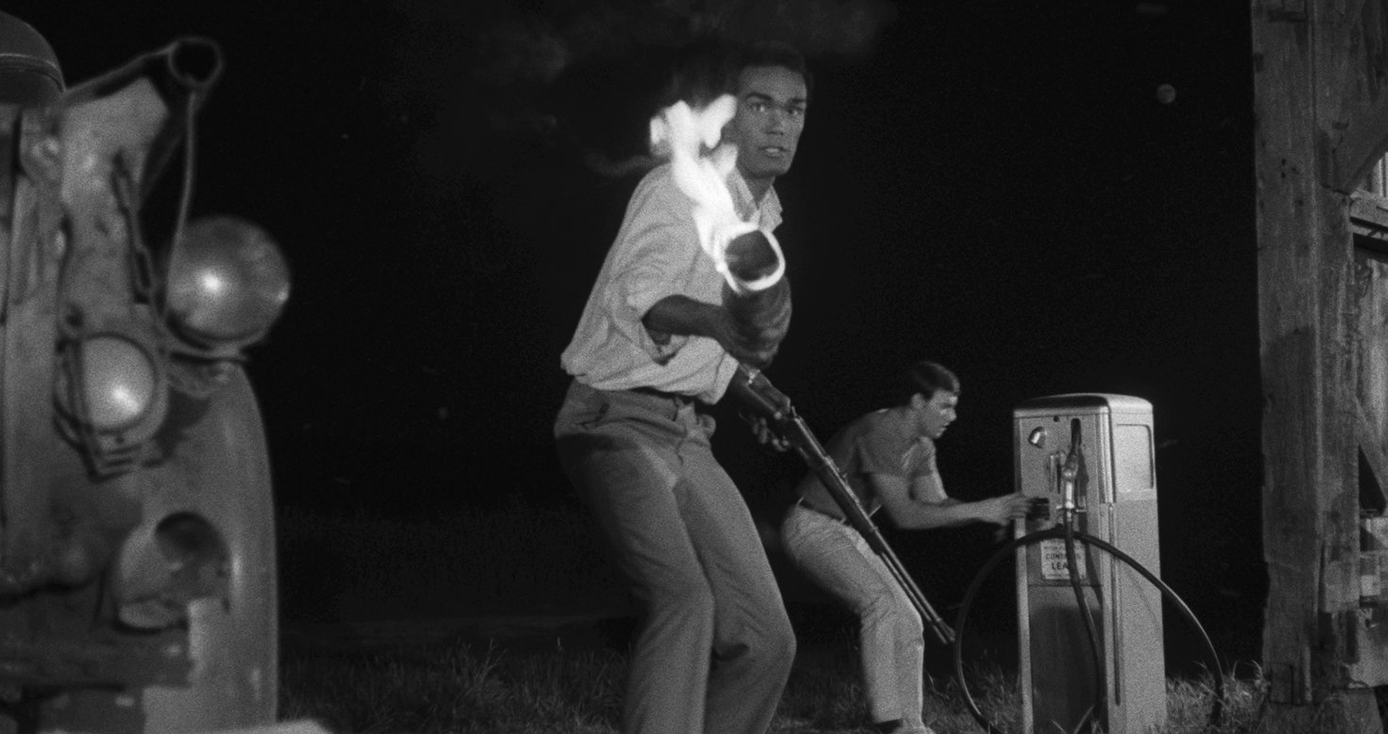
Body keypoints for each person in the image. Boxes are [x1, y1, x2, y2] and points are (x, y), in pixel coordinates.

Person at [553, 41, 811, 734]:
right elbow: (647, 297)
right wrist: (725, 326)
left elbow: (716, 349)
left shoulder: (767, 220)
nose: (779, 123)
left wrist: (750, 391)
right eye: (760, 105)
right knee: (684, 601)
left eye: (795, 109)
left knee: (766, 637)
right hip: (610, 421)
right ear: (726, 119)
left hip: (689, 434)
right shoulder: (677, 187)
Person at [778, 361, 1032, 734]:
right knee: (878, 603)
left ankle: (913, 725)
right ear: (917, 401)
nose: (953, 416)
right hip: (810, 524)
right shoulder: (881, 430)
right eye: (944, 406)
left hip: (848, 530)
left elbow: (936, 503)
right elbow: (905, 516)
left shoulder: (922, 446)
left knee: (909, 619)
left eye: (954, 406)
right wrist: (981, 510)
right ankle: (888, 723)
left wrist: (991, 511)